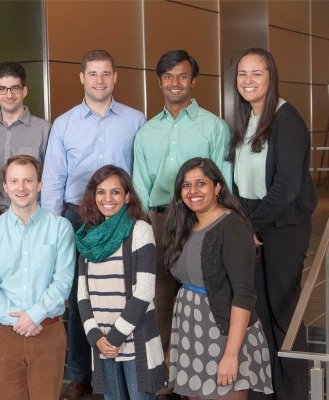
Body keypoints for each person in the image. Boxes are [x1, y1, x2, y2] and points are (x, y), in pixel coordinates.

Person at [41, 49, 145, 400]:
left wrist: (139, 217)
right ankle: (81, 375)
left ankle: (126, 369)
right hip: (78, 217)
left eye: (106, 74)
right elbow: (53, 180)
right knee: (79, 298)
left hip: (122, 217)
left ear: (115, 77)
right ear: (82, 78)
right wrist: (52, 231)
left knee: (122, 293)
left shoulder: (135, 120)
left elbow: (140, 172)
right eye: (93, 74)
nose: (99, 80)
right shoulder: (64, 124)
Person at [132, 50, 232, 399]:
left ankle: (202, 370)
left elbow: (224, 180)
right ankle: (165, 376)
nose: (175, 83)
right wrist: (142, 227)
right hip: (160, 219)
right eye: (168, 76)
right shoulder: (146, 131)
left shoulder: (214, 126)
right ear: (160, 82)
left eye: (182, 76)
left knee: (202, 293)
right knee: (160, 298)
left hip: (202, 219)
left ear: (193, 81)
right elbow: (140, 184)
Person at [230, 48, 317, 400]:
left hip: (282, 225)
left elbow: (287, 185)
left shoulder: (286, 118)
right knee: (259, 312)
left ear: (271, 77)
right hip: (253, 220)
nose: (248, 80)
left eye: (257, 73)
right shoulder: (246, 119)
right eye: (242, 74)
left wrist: (252, 225)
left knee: (284, 312)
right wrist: (245, 223)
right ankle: (267, 390)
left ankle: (294, 392)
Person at [163, 157, 273, 400]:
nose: (193, 191)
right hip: (189, 332)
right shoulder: (184, 226)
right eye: (186, 185)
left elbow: (244, 294)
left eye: (201, 183)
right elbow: (182, 289)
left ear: (217, 187)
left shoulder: (233, 227)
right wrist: (173, 344)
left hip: (224, 334)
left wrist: (231, 355)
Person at [0, 155, 75, 400]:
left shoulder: (60, 227)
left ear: (39, 184)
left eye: (28, 180)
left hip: (47, 334)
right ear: (5, 186)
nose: (21, 188)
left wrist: (34, 315)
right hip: (4, 335)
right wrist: (19, 320)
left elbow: (62, 282)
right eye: (14, 181)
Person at [76, 165, 167, 399]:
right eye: (101, 192)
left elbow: (145, 291)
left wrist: (115, 337)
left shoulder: (140, 230)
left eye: (115, 192)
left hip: (135, 342)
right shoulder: (89, 236)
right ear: (93, 196)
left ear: (127, 196)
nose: (108, 198)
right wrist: (96, 338)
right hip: (103, 343)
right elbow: (82, 295)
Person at [0, 61, 50, 223]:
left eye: (15, 88)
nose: (9, 95)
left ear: (24, 91)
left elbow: (50, 181)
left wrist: (48, 220)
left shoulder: (44, 129)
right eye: (2, 89)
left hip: (33, 219)